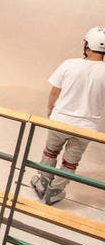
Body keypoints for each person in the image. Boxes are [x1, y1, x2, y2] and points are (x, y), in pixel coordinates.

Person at [31, 27, 105, 205]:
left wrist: (49, 108)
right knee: (70, 162)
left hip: (61, 121)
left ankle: (43, 181)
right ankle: (55, 190)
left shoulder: (69, 64)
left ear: (87, 45)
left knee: (50, 151)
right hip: (86, 128)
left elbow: (55, 91)